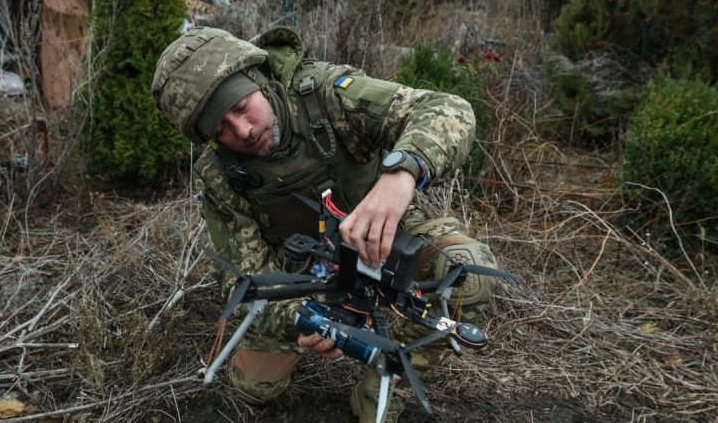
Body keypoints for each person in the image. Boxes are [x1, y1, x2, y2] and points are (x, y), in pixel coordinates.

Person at [152, 26, 498, 422]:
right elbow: (243, 277)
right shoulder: (221, 173)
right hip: (304, 277)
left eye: (242, 106)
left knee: (467, 273)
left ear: (259, 79)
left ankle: (386, 380)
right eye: (221, 130)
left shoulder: (325, 95)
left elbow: (448, 110)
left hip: (388, 245)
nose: (243, 131)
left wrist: (402, 173)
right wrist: (301, 318)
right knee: (252, 388)